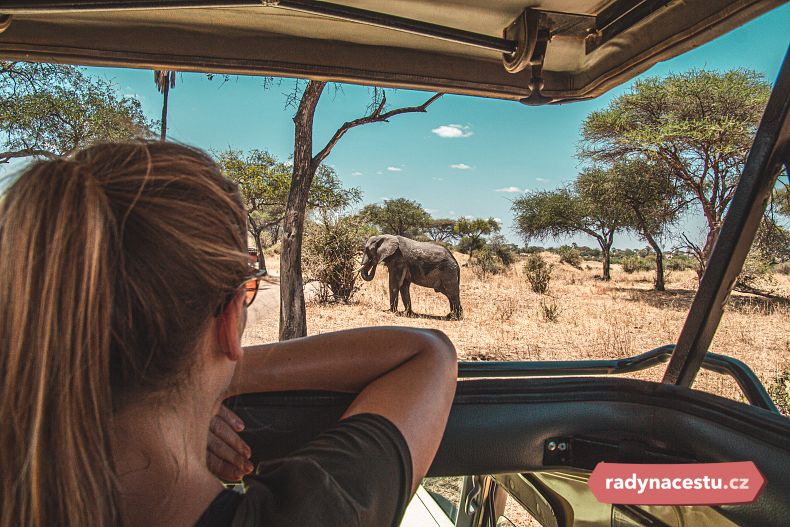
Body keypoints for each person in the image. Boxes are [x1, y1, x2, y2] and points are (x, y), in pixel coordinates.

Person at [0, 141, 457, 527]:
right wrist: (200, 384)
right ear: (228, 322)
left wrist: (182, 392)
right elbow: (427, 352)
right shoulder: (309, 514)